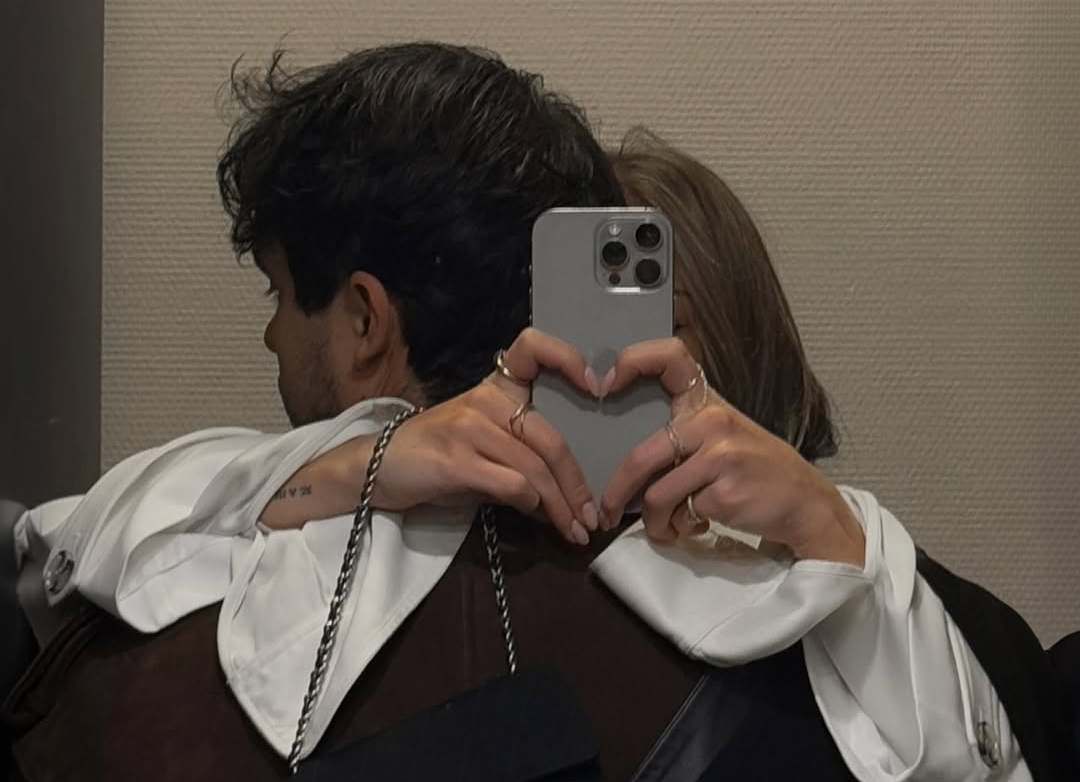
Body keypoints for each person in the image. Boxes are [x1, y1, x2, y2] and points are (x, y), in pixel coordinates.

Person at [4, 43, 1076, 782]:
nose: (273, 337)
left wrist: (336, 465)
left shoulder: (129, 670)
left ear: (366, 317)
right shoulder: (884, 635)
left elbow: (55, 546)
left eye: (283, 296)